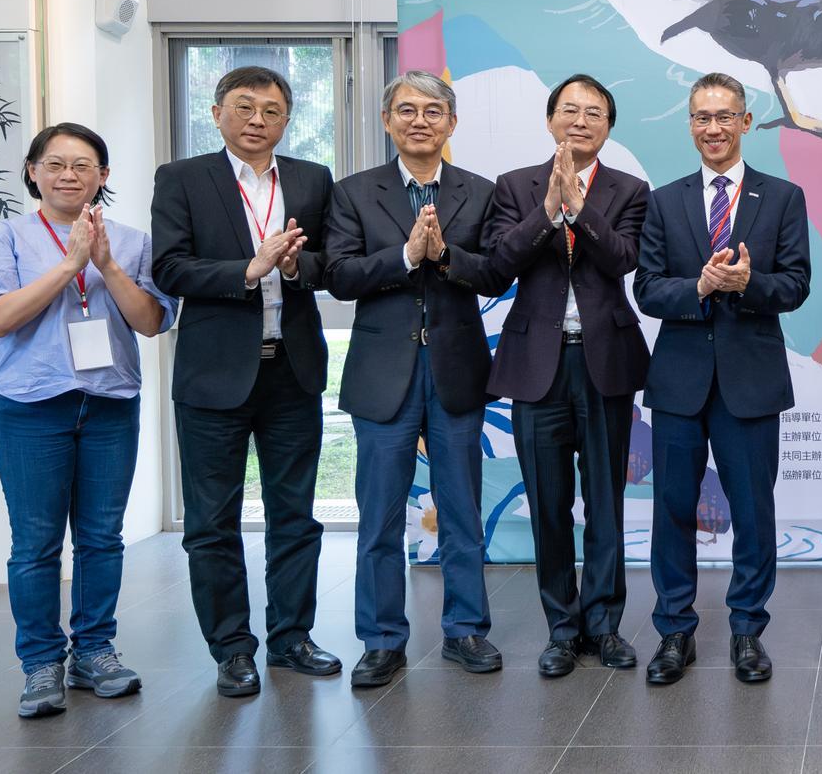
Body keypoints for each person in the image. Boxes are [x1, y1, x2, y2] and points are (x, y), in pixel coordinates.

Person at [0, 124, 175, 718]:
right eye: (54, 163)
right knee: (35, 544)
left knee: (103, 538)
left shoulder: (132, 242)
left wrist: (105, 265)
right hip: (31, 405)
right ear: (32, 171)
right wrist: (69, 265)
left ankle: (95, 652)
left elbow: (152, 323)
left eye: (83, 165)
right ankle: (39, 664)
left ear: (103, 177)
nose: (68, 175)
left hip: (109, 402)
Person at [151, 65, 340, 697]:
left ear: (287, 119)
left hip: (293, 368)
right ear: (217, 112)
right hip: (213, 376)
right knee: (211, 520)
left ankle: (291, 637)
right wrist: (250, 268)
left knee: (296, 513)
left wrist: (295, 265)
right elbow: (171, 268)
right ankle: (232, 647)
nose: (257, 119)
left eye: (271, 110)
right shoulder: (182, 179)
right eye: (244, 106)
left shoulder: (312, 179)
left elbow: (329, 263)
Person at [324, 73, 513, 687]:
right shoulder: (354, 192)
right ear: (387, 121)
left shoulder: (479, 193)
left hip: (456, 372)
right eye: (406, 110)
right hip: (384, 376)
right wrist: (407, 256)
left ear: (451, 123)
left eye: (434, 111)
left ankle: (466, 631)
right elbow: (341, 275)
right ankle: (381, 639)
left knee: (462, 510)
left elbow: (493, 274)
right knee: (378, 516)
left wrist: (445, 257)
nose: (420, 121)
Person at [633, 72, 811, 685]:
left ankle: (746, 631)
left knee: (754, 513)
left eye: (724, 116)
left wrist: (749, 286)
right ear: (690, 125)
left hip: (750, 382)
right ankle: (674, 631)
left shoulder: (781, 197)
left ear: (743, 122)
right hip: (680, 383)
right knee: (673, 512)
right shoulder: (665, 200)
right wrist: (702, 287)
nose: (713, 128)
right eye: (701, 118)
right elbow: (648, 289)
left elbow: (795, 285)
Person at [482, 73, 650, 679]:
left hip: (604, 361)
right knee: (547, 504)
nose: (581, 121)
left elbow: (625, 260)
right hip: (536, 368)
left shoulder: (630, 189)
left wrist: (584, 211)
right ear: (550, 119)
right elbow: (499, 264)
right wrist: (550, 211)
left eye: (595, 113)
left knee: (605, 500)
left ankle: (604, 624)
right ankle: (561, 626)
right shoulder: (515, 186)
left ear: (608, 126)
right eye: (571, 111)